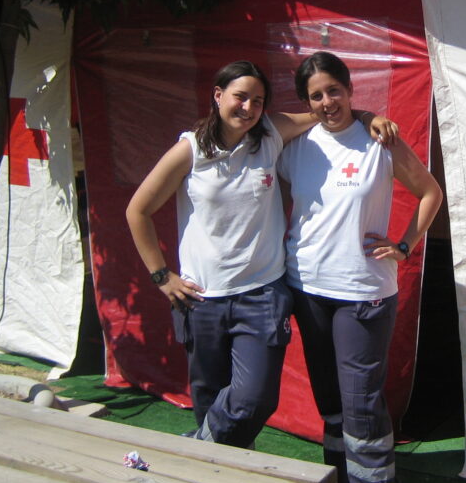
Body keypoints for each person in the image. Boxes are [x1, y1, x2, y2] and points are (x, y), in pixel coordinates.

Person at [126, 60, 397, 449]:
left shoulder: (270, 134)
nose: (248, 108)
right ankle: (221, 472)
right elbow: (138, 210)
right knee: (209, 399)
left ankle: (198, 451)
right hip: (201, 297)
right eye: (240, 97)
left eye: (258, 100)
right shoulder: (190, 150)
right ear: (218, 96)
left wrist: (370, 116)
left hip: (261, 293)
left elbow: (327, 109)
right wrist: (161, 276)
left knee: (254, 399)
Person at [278, 52, 443, 483]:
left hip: (363, 290)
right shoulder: (295, 145)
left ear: (350, 90)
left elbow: (430, 192)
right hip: (307, 287)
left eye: (335, 90)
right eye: (316, 95)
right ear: (306, 102)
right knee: (330, 401)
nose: (327, 101)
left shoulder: (379, 141)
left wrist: (405, 245)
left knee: (361, 401)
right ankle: (339, 482)